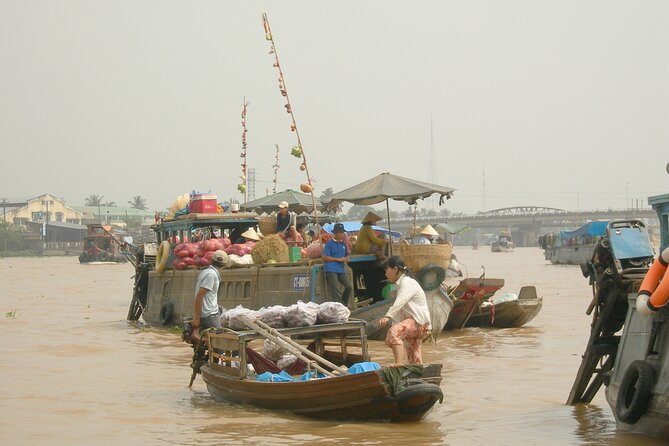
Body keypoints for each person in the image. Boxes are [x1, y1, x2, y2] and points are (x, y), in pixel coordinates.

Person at [378, 256, 431, 366]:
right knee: (414, 359)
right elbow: (401, 310)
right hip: (419, 323)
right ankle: (418, 373)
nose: (385, 274)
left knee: (394, 332)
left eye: (386, 270)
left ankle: (398, 363)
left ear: (395, 269)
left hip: (418, 322)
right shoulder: (403, 283)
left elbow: (399, 302)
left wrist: (387, 316)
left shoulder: (407, 282)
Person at [191, 250, 227, 332]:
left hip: (211, 311)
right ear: (225, 264)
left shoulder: (206, 272)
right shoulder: (211, 275)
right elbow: (200, 296)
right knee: (222, 334)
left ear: (211, 261)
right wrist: (197, 318)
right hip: (209, 315)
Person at [321, 223, 353, 307]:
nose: (342, 235)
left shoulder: (343, 244)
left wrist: (346, 258)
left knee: (349, 287)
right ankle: (341, 306)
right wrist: (338, 259)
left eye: (343, 233)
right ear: (336, 233)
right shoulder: (329, 243)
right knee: (335, 289)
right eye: (341, 233)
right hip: (331, 269)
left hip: (341, 269)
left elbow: (346, 255)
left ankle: (344, 305)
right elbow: (324, 257)